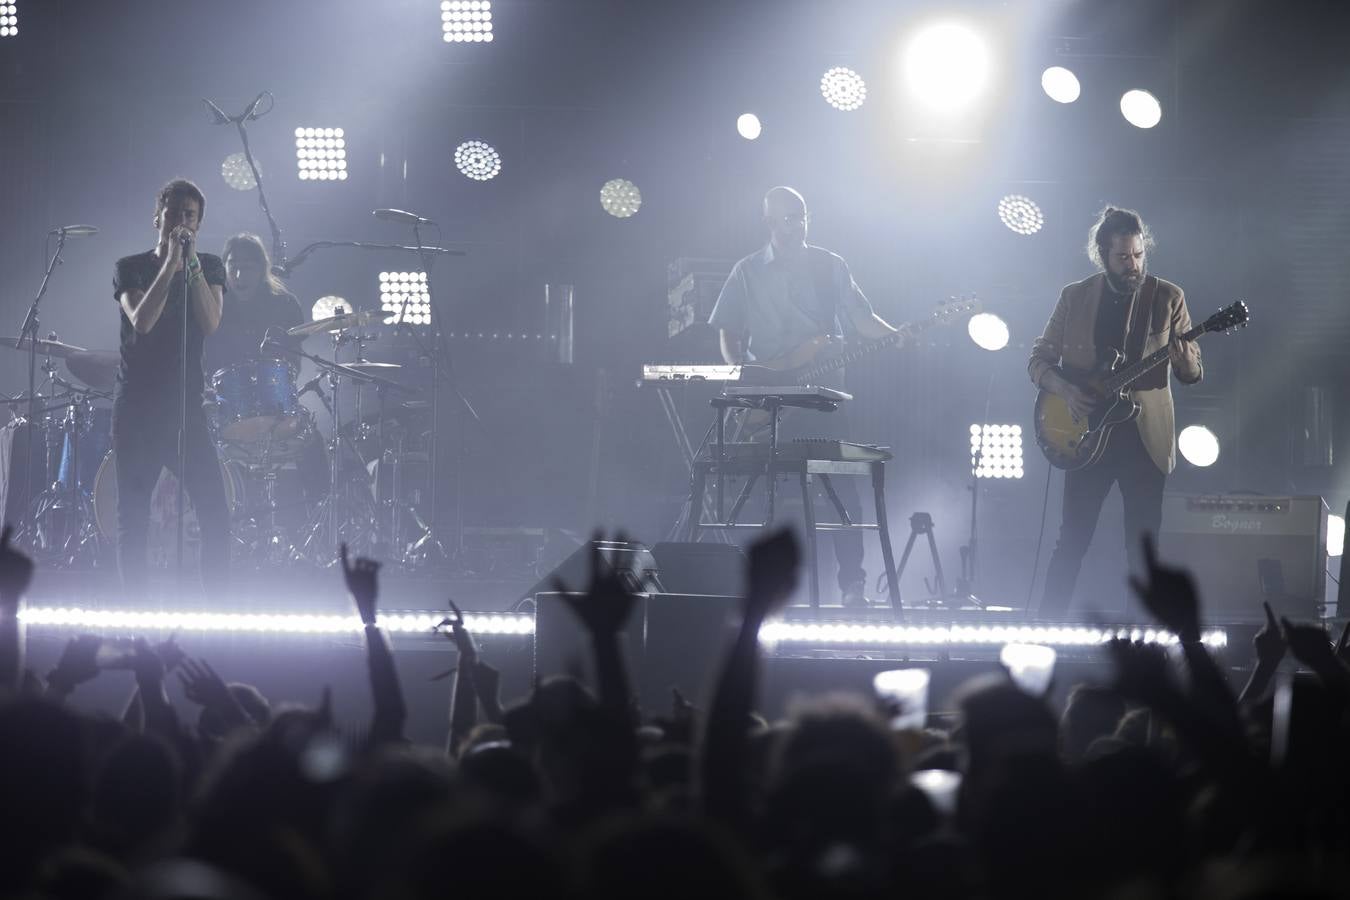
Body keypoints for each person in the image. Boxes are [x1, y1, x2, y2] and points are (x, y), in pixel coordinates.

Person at [708, 186, 898, 606]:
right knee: (756, 491)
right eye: (788, 218)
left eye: (803, 216)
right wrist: (745, 380)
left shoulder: (830, 265)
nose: (797, 225)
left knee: (841, 488)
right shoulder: (747, 271)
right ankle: (752, 586)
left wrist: (898, 335)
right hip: (769, 398)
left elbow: (861, 318)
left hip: (823, 396)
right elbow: (729, 332)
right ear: (769, 222)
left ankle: (853, 585)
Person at [1028, 206, 1203, 616]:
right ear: (1102, 254)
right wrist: (1067, 391)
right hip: (1084, 433)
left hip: (1143, 439)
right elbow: (1038, 360)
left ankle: (1145, 642)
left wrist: (1182, 359)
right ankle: (1044, 629)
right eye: (1123, 257)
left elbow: (1193, 373)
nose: (1133, 265)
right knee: (1071, 540)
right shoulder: (1074, 297)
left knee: (1143, 547)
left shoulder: (1168, 297)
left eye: (1139, 255)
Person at [111, 178, 230, 598]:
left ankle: (215, 611)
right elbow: (142, 322)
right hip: (138, 410)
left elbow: (211, 322)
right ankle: (135, 615)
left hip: (184, 410)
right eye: (175, 213)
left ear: (198, 223)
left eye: (190, 216)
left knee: (216, 512)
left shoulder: (211, 266)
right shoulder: (131, 267)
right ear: (157, 217)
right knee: (134, 517)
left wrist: (192, 264)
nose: (182, 222)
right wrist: (170, 266)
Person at [203, 233, 303, 376]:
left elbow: (294, 362)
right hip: (219, 394)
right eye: (232, 266)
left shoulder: (286, 305)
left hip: (271, 392)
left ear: (262, 270)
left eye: (247, 268)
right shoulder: (212, 304)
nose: (238, 275)